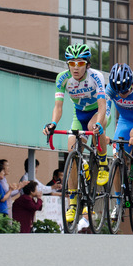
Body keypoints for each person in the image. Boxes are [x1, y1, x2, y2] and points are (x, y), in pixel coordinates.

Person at [42, 43, 110, 224]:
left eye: (80, 63)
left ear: (87, 64)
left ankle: (102, 163)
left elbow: (102, 104)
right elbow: (58, 106)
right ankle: (73, 203)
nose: (75, 68)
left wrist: (99, 123)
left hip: (99, 112)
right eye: (72, 64)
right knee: (71, 150)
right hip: (78, 115)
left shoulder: (96, 76)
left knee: (92, 125)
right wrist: (53, 124)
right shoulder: (62, 79)